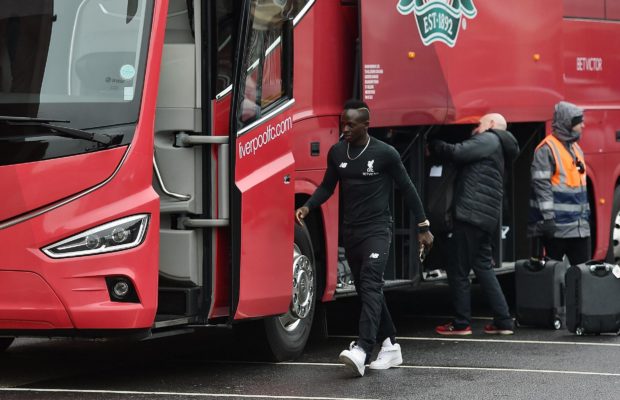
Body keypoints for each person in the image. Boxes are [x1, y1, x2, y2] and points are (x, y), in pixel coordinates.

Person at [295, 99, 434, 376]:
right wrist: (308, 206)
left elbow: (407, 189)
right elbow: (327, 187)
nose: (344, 128)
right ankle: (390, 345)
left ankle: (362, 349)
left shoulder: (386, 153)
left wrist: (423, 226)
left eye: (351, 124)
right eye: (342, 123)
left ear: (366, 125)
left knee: (371, 283)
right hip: (352, 231)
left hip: (378, 230)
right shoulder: (337, 153)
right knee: (367, 289)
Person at [428, 113, 519, 336]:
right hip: (485, 217)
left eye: (478, 124)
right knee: (483, 268)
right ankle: (503, 321)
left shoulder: (489, 139)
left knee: (458, 269)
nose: (475, 128)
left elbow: (457, 152)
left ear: (490, 124)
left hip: (470, 215)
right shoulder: (499, 145)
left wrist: (433, 143)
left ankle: (461, 324)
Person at [528, 101, 590, 264]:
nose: (583, 125)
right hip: (556, 229)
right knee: (553, 279)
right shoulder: (547, 149)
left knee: (582, 278)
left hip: (579, 229)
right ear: (567, 124)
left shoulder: (576, 148)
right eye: (578, 122)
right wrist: (548, 220)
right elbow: (542, 188)